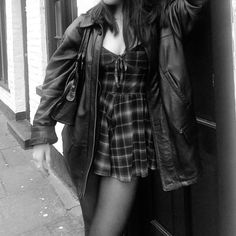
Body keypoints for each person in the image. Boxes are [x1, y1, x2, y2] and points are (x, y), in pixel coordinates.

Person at [30, 0, 207, 235]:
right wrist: (42, 134)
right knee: (92, 226)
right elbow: (55, 79)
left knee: (104, 232)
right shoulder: (85, 26)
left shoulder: (159, 20)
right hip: (86, 144)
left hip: (128, 145)